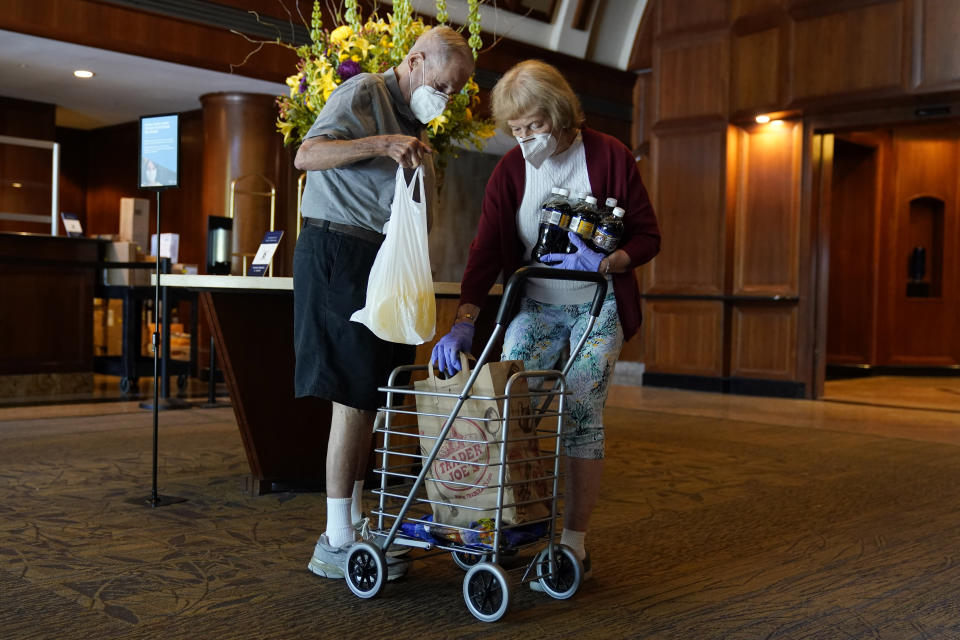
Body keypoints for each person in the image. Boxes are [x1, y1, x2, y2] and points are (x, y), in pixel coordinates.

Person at [431, 60, 660, 585]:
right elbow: (486, 249)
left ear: (558, 114)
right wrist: (464, 318)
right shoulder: (510, 169)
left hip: (595, 302)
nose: (524, 138)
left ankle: (572, 544)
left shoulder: (610, 156)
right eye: (515, 129)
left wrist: (607, 261)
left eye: (533, 126)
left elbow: (648, 236)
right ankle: (503, 524)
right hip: (534, 302)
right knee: (509, 406)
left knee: (580, 411)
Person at [293, 25, 475, 580]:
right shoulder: (367, 93)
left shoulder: (416, 119)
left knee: (372, 393)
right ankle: (335, 539)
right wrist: (380, 143)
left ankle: (355, 525)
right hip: (336, 247)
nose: (445, 98)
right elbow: (306, 155)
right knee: (351, 396)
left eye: (454, 92)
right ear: (415, 61)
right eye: (442, 85)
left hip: (376, 256)